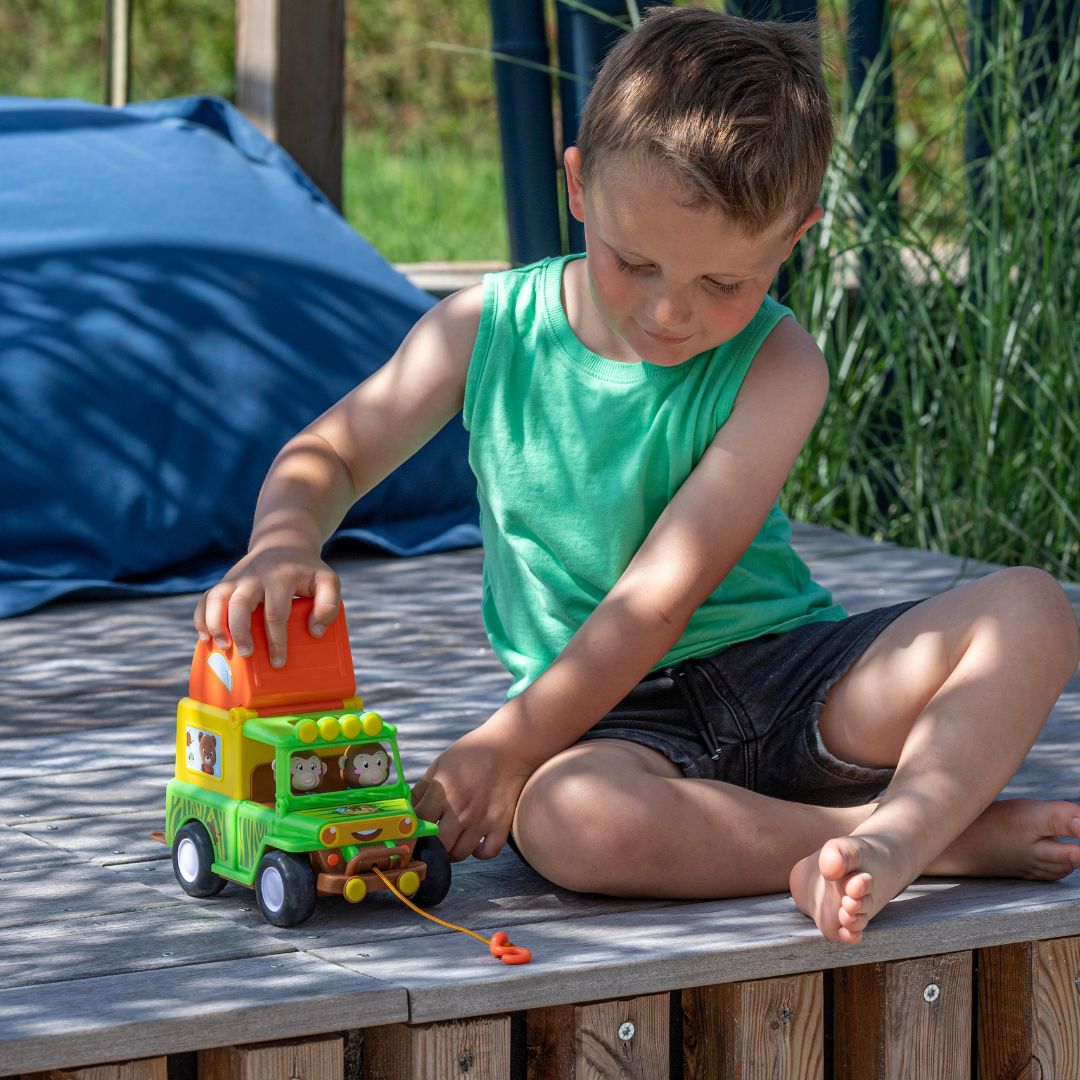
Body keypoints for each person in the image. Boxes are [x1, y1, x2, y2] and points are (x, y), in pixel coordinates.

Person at [194, 7, 1080, 943]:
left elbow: (659, 599)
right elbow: (331, 453)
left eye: (723, 284)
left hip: (786, 678)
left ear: (793, 238)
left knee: (1029, 607)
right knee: (568, 823)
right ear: (580, 184)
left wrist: (506, 743)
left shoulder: (780, 366)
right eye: (635, 263)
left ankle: (903, 831)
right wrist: (283, 541)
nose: (669, 312)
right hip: (611, 723)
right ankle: (925, 838)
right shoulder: (485, 330)